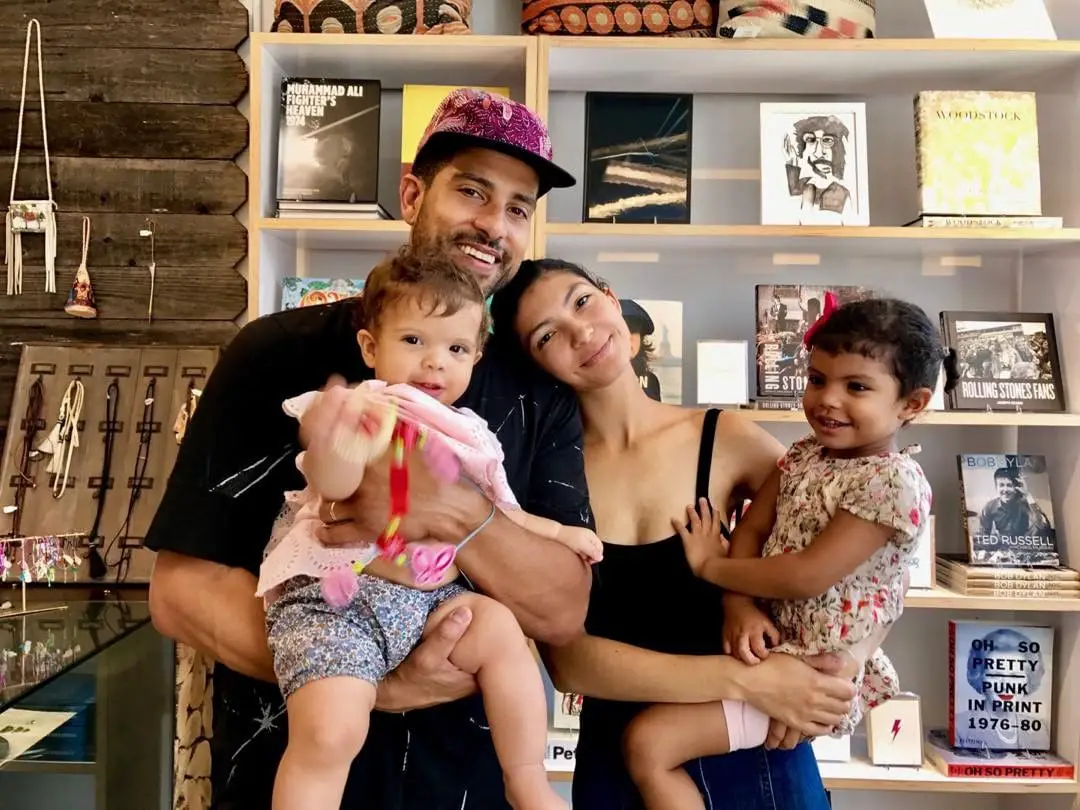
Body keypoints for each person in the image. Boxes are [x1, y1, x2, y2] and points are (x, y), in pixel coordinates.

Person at [145, 89, 593, 810]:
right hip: (284, 768)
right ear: (412, 193)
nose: (494, 225)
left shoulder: (537, 388)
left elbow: (563, 610)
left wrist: (456, 512)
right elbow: (180, 595)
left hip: (465, 787)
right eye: (472, 191)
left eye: (517, 207)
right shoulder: (276, 354)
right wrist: (374, 681)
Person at [490, 260, 861, 810]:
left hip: (754, 749)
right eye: (548, 335)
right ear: (533, 361)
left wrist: (837, 669)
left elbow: (858, 548)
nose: (581, 332)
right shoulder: (541, 483)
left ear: (613, 299)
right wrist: (751, 684)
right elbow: (571, 663)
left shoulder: (725, 435)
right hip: (620, 759)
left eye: (582, 301)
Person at [260, 249, 604, 810]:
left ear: (477, 355)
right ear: (372, 347)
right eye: (414, 341)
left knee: (502, 637)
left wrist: (559, 534)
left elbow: (500, 513)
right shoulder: (367, 407)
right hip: (342, 600)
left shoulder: (470, 432)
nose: (435, 363)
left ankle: (527, 782)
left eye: (456, 349)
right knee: (330, 730)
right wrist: (331, 440)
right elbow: (335, 481)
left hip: (432, 598)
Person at [619, 296, 959, 809]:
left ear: (911, 404)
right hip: (771, 646)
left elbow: (806, 575)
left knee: (649, 744)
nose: (828, 399)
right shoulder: (802, 454)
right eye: (818, 379)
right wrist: (737, 603)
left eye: (857, 387)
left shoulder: (892, 483)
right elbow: (754, 529)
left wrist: (711, 566)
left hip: (812, 669)